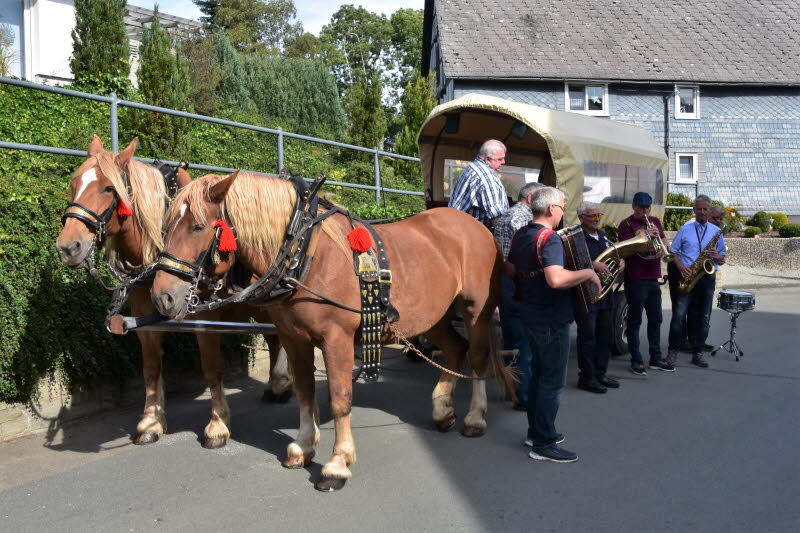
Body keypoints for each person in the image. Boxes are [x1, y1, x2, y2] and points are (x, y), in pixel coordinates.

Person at [508, 187, 601, 463]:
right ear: (550, 209)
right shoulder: (549, 239)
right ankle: (544, 443)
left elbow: (510, 269)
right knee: (552, 382)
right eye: (562, 206)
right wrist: (588, 272)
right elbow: (556, 279)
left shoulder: (522, 234)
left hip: (530, 314)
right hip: (550, 318)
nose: (563, 211)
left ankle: (536, 432)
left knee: (539, 376)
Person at [494, 182, 546, 410]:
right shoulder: (522, 219)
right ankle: (523, 395)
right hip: (518, 280)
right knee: (524, 340)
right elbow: (525, 255)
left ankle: (512, 388)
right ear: (532, 197)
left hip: (505, 280)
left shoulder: (506, 215)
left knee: (512, 336)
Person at [617, 192, 674, 376]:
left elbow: (664, 241)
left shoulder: (655, 221)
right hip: (635, 279)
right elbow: (623, 252)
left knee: (656, 319)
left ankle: (655, 358)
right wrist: (644, 240)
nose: (644, 210)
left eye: (647, 207)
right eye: (641, 207)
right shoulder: (626, 225)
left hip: (653, 278)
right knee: (634, 321)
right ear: (633, 206)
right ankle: (636, 359)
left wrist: (663, 247)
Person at [667, 195, 726, 368]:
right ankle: (672, 351)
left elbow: (723, 259)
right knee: (678, 316)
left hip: (706, 277)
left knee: (704, 317)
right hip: (687, 275)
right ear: (694, 210)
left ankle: (698, 352)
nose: (702, 212)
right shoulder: (685, 229)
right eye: (699, 209)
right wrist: (680, 267)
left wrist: (718, 256)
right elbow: (673, 252)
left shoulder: (716, 232)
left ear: (709, 211)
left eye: (705, 209)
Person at [573, 202, 623, 393]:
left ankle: (600, 373)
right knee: (588, 337)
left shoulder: (602, 235)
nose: (597, 219)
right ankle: (587, 377)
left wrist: (620, 261)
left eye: (598, 215)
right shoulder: (577, 237)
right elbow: (573, 260)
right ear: (581, 218)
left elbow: (612, 254)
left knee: (605, 335)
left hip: (605, 294)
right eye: (592, 216)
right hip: (587, 294)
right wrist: (593, 265)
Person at [448, 139, 509, 229]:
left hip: (458, 227)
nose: (503, 162)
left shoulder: (473, 167)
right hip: (472, 234)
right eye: (500, 159)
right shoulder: (486, 176)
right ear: (487, 159)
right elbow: (497, 218)